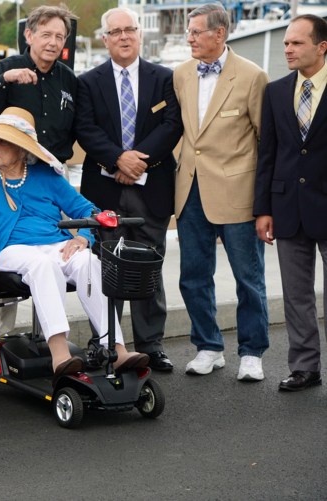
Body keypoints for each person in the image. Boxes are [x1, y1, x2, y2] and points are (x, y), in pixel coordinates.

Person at [0, 107, 149, 380]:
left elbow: (87, 209)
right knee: (40, 263)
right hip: (6, 248)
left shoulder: (46, 175)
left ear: (21, 148)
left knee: (88, 260)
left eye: (2, 141)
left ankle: (116, 347)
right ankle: (59, 354)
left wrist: (82, 237)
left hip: (55, 243)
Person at [75, 7, 183, 372]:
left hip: (152, 187)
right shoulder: (88, 81)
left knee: (149, 266)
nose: (124, 37)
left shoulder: (164, 77)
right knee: (105, 269)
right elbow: (86, 129)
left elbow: (172, 125)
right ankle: (106, 343)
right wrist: (118, 159)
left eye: (130, 30)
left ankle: (151, 344)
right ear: (104, 39)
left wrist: (138, 162)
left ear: (139, 34)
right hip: (105, 189)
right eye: (115, 31)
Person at [0, 4, 80, 339]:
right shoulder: (5, 69)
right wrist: (4, 82)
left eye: (59, 36)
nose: (52, 42)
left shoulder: (69, 80)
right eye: (46, 34)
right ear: (29, 35)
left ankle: (50, 336)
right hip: (8, 174)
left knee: (52, 251)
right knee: (6, 243)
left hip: (51, 177)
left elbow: (76, 128)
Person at [173, 3, 269, 380]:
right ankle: (208, 346)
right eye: (189, 31)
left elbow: (266, 141)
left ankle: (252, 351)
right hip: (189, 190)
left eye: (197, 31)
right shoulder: (180, 74)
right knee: (193, 275)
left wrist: (265, 203)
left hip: (238, 192)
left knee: (249, 277)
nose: (190, 38)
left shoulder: (252, 75)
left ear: (220, 33)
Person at [254, 15, 327, 391]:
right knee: (297, 296)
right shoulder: (276, 91)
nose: (288, 49)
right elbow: (268, 153)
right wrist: (263, 209)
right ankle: (305, 367)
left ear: (321, 47)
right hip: (287, 208)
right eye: (285, 43)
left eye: (296, 43)